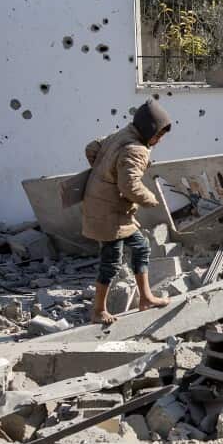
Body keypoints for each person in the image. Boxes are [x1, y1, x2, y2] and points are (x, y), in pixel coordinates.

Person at [82, 100, 174, 325]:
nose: (159, 140)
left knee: (141, 247)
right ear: (148, 130)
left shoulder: (122, 134)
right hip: (108, 214)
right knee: (111, 261)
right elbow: (129, 186)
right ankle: (98, 310)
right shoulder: (136, 149)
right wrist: (151, 199)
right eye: (158, 134)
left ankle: (145, 298)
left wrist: (104, 175)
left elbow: (92, 148)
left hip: (106, 206)